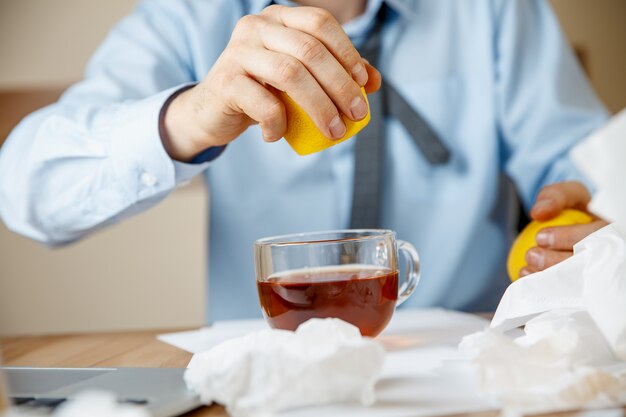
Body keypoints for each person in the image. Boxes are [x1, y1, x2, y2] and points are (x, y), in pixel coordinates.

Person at [0, 0, 609, 321]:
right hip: (266, 378)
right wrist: (194, 114)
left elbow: (580, 170)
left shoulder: (494, 9)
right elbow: (26, 189)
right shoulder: (184, 13)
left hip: (474, 365)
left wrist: (591, 220)